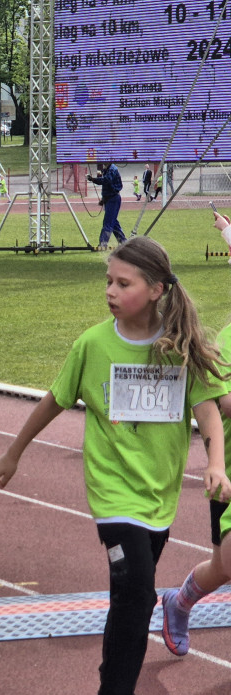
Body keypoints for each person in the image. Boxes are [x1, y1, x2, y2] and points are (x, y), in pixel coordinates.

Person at [0, 236, 231, 695]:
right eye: (109, 282)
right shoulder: (92, 345)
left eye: (123, 283)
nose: (111, 291)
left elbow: (208, 408)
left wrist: (214, 460)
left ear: (157, 290)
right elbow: (54, 400)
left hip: (157, 494)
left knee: (139, 593)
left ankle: (117, 694)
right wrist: (14, 453)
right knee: (134, 588)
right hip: (112, 492)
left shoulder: (177, 345)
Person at [161, 210, 231, 658]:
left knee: (224, 568)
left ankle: (179, 600)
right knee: (227, 566)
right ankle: (180, 600)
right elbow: (219, 403)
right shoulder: (228, 339)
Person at [87, 161, 126, 250]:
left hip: (113, 199)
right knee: (114, 222)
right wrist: (104, 199)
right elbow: (107, 186)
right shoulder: (108, 169)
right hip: (110, 199)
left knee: (108, 222)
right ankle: (123, 242)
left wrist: (93, 179)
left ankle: (103, 243)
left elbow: (106, 181)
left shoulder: (112, 169)